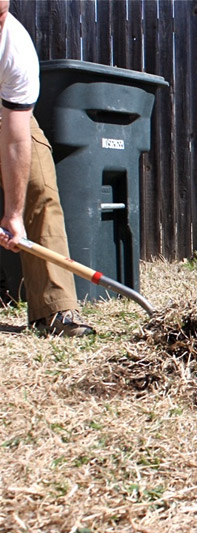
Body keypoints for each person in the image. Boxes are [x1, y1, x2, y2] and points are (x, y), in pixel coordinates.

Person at [0, 0, 93, 336]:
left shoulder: (15, 48)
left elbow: (16, 138)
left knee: (39, 187)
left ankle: (54, 310)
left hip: (5, 116)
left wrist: (14, 214)